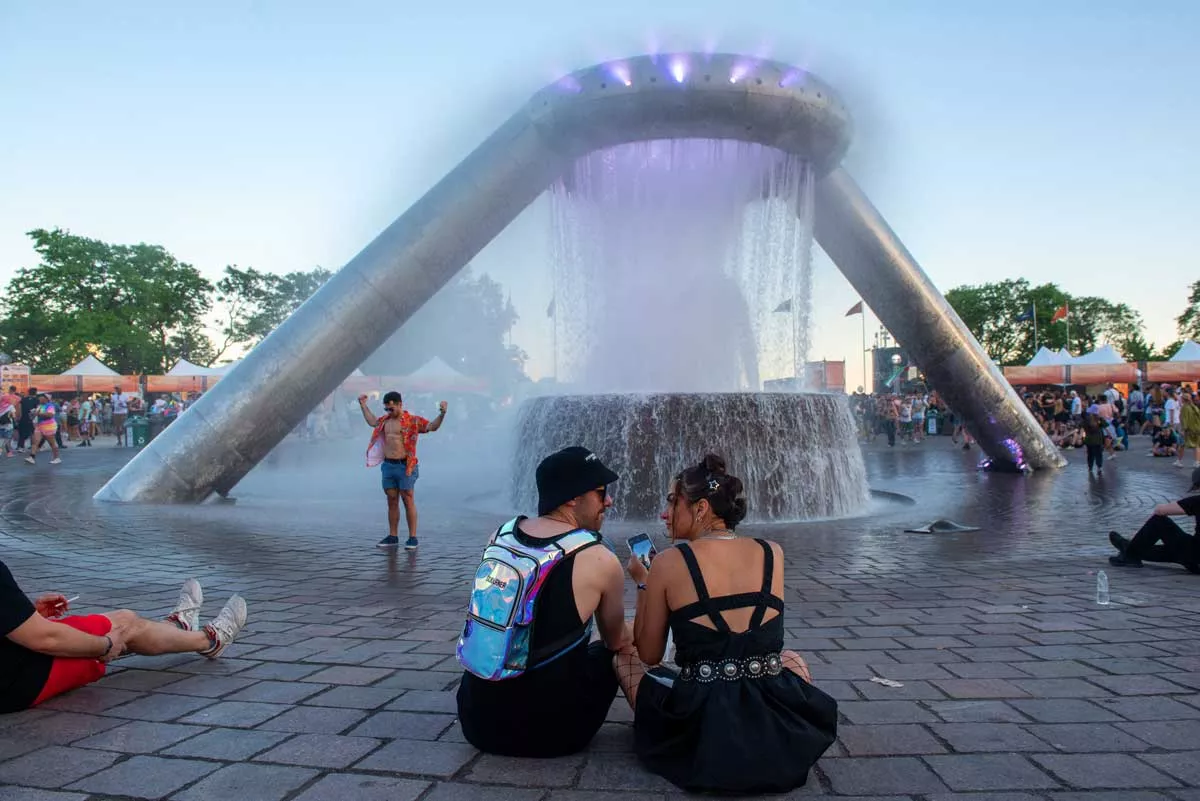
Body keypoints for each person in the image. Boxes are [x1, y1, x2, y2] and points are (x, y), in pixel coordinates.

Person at [614, 454, 837, 794]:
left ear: (701, 508)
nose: (664, 513)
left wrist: (644, 584)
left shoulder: (669, 562)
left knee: (622, 658)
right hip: (772, 720)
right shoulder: (772, 552)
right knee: (791, 659)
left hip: (701, 724)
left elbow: (650, 654)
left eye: (673, 502)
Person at [455, 446, 631, 757]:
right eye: (601, 492)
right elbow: (617, 641)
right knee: (612, 652)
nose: (609, 501)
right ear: (572, 497)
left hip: (476, 723)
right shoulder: (599, 557)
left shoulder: (500, 536)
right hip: (554, 735)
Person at [1, 563, 247, 713]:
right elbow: (45, 639)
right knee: (125, 625)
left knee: (117, 629)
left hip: (14, 653)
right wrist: (104, 645)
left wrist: (20, 613)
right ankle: (208, 641)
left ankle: (173, 630)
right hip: (18, 677)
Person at [360, 391, 447, 550]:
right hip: (388, 465)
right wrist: (363, 405)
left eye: (391, 409)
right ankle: (393, 536)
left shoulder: (412, 421)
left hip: (405, 465)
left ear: (400, 404)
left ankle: (412, 537)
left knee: (407, 499)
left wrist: (442, 414)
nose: (388, 412)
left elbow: (431, 427)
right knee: (392, 500)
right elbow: (372, 421)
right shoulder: (385, 421)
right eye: (386, 409)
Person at [1107, 468, 1200, 572]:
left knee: (1159, 521)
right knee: (1172, 550)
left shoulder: (1197, 501)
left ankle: (1130, 554)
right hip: (1194, 556)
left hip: (1195, 555)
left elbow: (1160, 511)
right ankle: (1128, 547)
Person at [25, 392, 61, 465]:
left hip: (49, 426)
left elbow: (50, 415)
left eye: (41, 397)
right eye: (39, 397)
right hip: (40, 426)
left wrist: (38, 413)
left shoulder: (50, 406)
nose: (39, 399)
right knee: (35, 441)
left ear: (46, 399)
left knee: (52, 443)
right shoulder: (40, 406)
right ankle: (32, 457)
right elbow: (36, 415)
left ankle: (56, 458)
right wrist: (33, 414)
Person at [1181, 391, 1200, 468]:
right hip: (1197, 428)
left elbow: (1185, 419)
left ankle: (1180, 460)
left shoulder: (1185, 407)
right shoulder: (1194, 407)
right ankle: (1197, 462)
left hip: (1190, 429)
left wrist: (1184, 429)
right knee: (1197, 446)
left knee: (1183, 444)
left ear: (1183, 399)